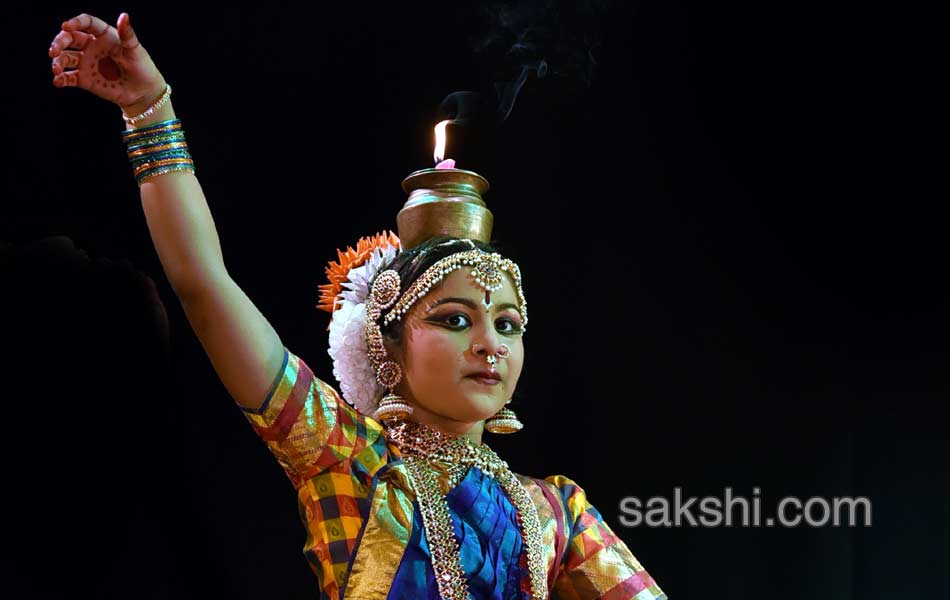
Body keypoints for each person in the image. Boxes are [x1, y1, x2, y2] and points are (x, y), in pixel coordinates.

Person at [49, 12, 668, 600]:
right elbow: (205, 286)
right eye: (455, 319)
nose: (491, 344)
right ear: (387, 343)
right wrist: (149, 109)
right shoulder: (346, 455)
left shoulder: (555, 513)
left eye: (508, 323)